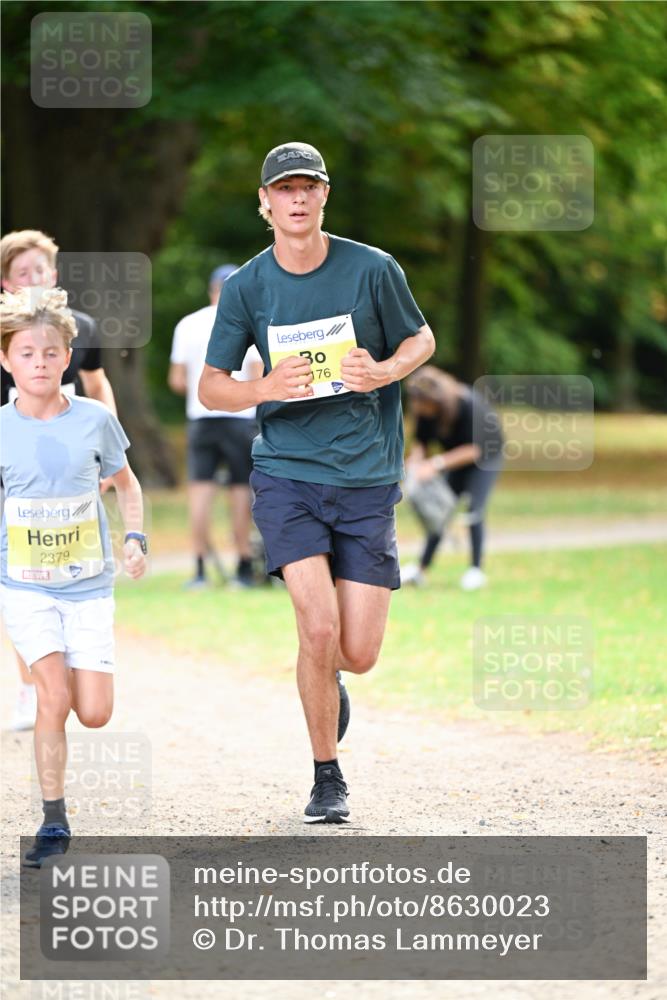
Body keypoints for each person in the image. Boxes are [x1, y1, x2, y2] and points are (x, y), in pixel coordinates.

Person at [199, 141, 435, 824]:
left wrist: (386, 370)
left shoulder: (372, 269)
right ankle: (326, 775)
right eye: (284, 189)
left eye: (308, 187)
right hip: (287, 476)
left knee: (355, 653)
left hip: (365, 478)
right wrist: (262, 386)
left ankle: (329, 679)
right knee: (315, 625)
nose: (297, 199)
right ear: (265, 202)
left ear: (323, 195)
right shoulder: (248, 286)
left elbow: (420, 340)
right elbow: (213, 387)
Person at [0, 286, 147, 867]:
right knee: (52, 697)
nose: (40, 362)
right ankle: (53, 819)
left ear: (68, 357)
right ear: (6, 360)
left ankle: (56, 809)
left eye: (51, 352)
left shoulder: (94, 421)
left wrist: (135, 538)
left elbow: (128, 485)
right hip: (25, 587)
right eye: (27, 352)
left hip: (88, 588)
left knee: (95, 711)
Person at [1, 230, 118, 731]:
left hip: (70, 463)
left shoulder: (82, 329)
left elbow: (97, 385)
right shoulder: (4, 334)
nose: (33, 279)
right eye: (22, 273)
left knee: (73, 563)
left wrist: (105, 455)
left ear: (56, 274)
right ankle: (32, 683)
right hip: (16, 465)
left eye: (40, 271)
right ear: (6, 282)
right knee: (18, 570)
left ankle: (77, 658)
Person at [168, 265, 263, 588]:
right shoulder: (247, 323)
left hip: (201, 417)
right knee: (240, 492)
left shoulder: (187, 325)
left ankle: (198, 570)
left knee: (200, 492)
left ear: (211, 289)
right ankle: (243, 567)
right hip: (239, 418)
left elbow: (177, 380)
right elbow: (257, 377)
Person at [403, 365, 503, 589]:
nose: (418, 408)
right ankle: (421, 569)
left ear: (435, 399)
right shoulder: (425, 410)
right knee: (442, 511)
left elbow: (475, 450)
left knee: (473, 509)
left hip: (485, 457)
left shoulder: (468, 405)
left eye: (422, 404)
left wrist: (436, 464)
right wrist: (415, 465)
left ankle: (476, 570)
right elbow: (421, 443)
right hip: (455, 458)